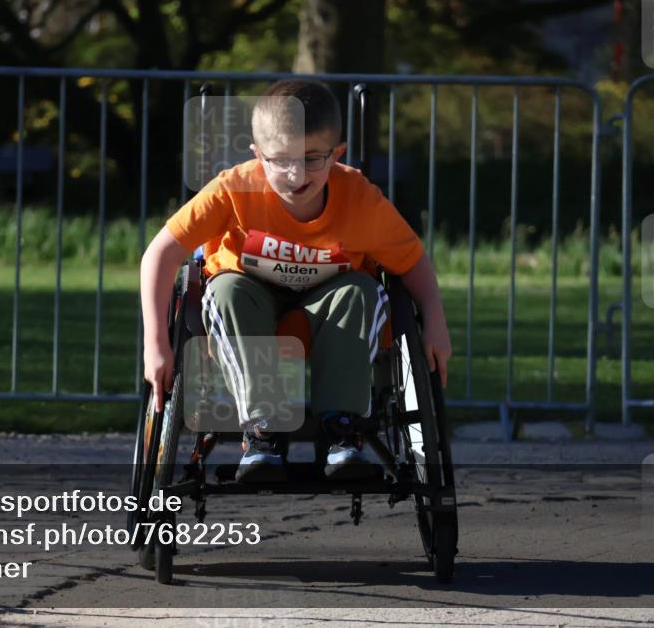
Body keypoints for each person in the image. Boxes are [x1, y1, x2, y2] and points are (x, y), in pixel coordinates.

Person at [140, 80, 451, 483]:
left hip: (330, 310)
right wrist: (155, 344)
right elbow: (159, 255)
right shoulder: (233, 189)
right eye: (281, 159)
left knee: (360, 291)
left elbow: (412, 262)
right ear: (258, 155)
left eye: (312, 158)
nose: (296, 173)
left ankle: (343, 429)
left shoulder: (359, 198)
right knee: (226, 290)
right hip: (248, 304)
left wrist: (435, 323)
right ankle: (263, 429)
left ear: (337, 154)